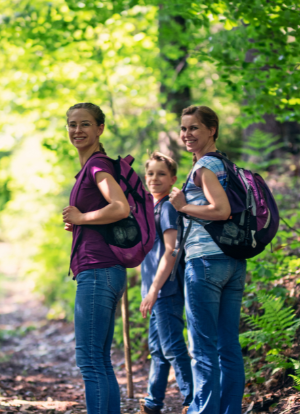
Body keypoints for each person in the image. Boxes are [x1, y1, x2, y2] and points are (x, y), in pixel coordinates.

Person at [168, 106, 246, 414]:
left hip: (205, 262)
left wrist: (183, 206)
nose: (187, 134)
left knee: (202, 349)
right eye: (184, 128)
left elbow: (221, 210)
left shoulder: (204, 168)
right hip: (232, 262)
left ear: (211, 130)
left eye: (194, 128)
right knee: (228, 347)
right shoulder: (227, 165)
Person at [62, 102, 131, 414]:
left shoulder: (96, 166)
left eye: (85, 124)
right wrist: (80, 221)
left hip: (98, 269)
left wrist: (83, 217)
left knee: (90, 360)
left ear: (100, 128)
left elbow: (120, 207)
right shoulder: (90, 167)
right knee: (100, 360)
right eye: (72, 124)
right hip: (105, 270)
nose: (78, 130)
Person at [138, 152, 194, 414]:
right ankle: (153, 403)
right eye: (150, 173)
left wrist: (153, 290)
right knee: (157, 350)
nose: (154, 178)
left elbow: (171, 251)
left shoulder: (168, 207)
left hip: (165, 289)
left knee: (172, 347)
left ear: (172, 178)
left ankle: (192, 400)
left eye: (161, 174)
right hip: (154, 290)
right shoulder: (151, 208)